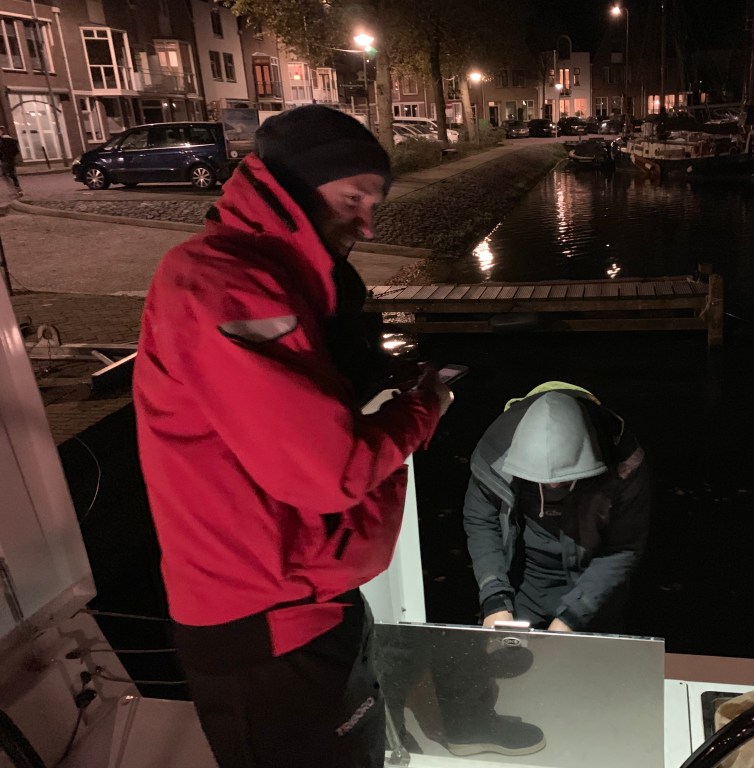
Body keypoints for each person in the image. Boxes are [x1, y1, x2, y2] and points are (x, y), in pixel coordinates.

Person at [133, 105, 453, 768]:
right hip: (266, 626)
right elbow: (328, 472)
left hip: (308, 601)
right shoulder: (225, 286)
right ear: (293, 187)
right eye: (353, 198)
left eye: (375, 204)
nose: (367, 224)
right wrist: (422, 410)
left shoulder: (276, 282)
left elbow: (295, 412)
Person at [463, 382, 650, 634]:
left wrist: (573, 617)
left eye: (564, 479)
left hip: (593, 588)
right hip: (523, 584)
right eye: (540, 479)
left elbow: (623, 547)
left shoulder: (622, 461)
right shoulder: (494, 454)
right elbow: (480, 521)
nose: (553, 486)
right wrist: (495, 598)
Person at [0, 127, 21, 196]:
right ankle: (17, 190)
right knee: (9, 175)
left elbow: (15, 150)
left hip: (7, 160)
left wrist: (7, 155)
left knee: (9, 175)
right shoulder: (7, 140)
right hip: (7, 160)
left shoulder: (6, 140)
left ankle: (16, 190)